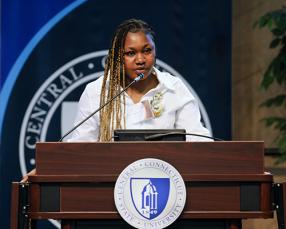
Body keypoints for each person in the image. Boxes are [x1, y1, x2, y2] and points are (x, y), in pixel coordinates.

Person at [68, 18, 211, 142]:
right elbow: (81, 147)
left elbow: (198, 142)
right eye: (131, 53)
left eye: (147, 50)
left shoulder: (173, 89)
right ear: (117, 56)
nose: (141, 60)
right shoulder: (97, 92)